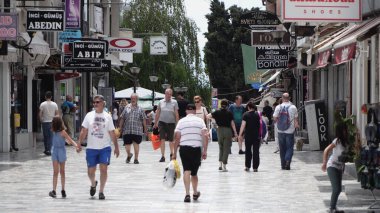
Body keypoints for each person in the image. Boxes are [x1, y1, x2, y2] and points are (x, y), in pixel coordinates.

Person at [77, 95, 120, 200]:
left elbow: (112, 132)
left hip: (104, 148)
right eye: (94, 102)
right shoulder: (89, 115)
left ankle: (101, 191)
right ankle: (93, 184)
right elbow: (84, 131)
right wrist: (79, 143)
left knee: (104, 169)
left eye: (97, 102)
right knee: (90, 172)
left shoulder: (108, 116)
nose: (95, 104)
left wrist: (116, 147)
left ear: (102, 103)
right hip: (91, 148)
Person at [172, 104, 208, 203]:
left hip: (184, 148)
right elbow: (205, 136)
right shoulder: (200, 121)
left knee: (186, 171)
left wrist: (174, 153)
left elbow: (177, 137)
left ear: (186, 111)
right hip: (196, 149)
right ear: (195, 111)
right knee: (194, 173)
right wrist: (205, 151)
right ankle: (195, 192)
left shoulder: (181, 121)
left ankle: (187, 194)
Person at [49, 116, 80, 198]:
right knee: (56, 171)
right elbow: (70, 141)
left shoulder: (63, 132)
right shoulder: (53, 131)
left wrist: (76, 146)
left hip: (61, 151)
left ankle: (63, 190)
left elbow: (70, 140)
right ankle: (54, 190)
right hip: (55, 151)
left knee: (61, 171)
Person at [322, 123, 348, 213]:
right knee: (336, 188)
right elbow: (326, 150)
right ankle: (331, 209)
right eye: (344, 130)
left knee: (339, 189)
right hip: (332, 166)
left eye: (346, 129)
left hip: (339, 168)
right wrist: (324, 163)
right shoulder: (336, 141)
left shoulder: (345, 142)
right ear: (340, 131)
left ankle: (334, 207)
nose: (346, 131)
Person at [207, 99, 237, 172]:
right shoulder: (229, 113)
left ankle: (220, 164)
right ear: (227, 105)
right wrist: (235, 133)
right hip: (227, 130)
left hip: (219, 130)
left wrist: (214, 119)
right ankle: (224, 165)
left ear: (221, 105)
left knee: (221, 147)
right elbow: (232, 123)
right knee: (226, 148)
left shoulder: (217, 112)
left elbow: (207, 116)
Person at [118, 93, 147, 164]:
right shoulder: (126, 107)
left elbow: (143, 119)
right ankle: (129, 154)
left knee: (136, 144)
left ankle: (136, 159)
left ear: (137, 99)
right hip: (127, 130)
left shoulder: (140, 109)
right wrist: (120, 127)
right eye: (132, 98)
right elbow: (122, 118)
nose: (133, 100)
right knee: (127, 146)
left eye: (134, 98)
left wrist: (145, 129)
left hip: (137, 130)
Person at [273, 93, 299, 170]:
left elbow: (274, 118)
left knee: (282, 148)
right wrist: (296, 125)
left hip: (280, 130)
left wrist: (279, 122)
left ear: (282, 98)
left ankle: (283, 165)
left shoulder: (278, 107)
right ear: (289, 98)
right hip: (290, 131)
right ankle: (288, 161)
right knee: (290, 147)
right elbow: (296, 119)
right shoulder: (293, 107)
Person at [154, 88, 179, 162]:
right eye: (167, 94)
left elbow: (176, 113)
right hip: (162, 122)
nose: (169, 95)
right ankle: (162, 156)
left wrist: (177, 124)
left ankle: (171, 154)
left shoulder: (174, 102)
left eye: (170, 94)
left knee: (171, 140)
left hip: (171, 123)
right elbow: (158, 113)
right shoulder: (161, 102)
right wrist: (155, 123)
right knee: (162, 139)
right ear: (165, 94)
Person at [238, 102, 261, 172]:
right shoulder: (258, 114)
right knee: (256, 151)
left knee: (248, 151)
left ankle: (247, 166)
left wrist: (240, 134)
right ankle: (255, 167)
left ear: (248, 107)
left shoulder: (246, 114)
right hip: (256, 135)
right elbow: (260, 125)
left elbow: (243, 125)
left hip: (248, 135)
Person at [39, 91, 59, 156]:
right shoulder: (55, 104)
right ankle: (50, 150)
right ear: (51, 97)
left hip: (45, 122)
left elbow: (40, 113)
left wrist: (41, 119)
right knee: (51, 136)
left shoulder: (42, 104)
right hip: (52, 122)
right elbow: (57, 114)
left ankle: (46, 149)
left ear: (45, 97)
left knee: (45, 136)